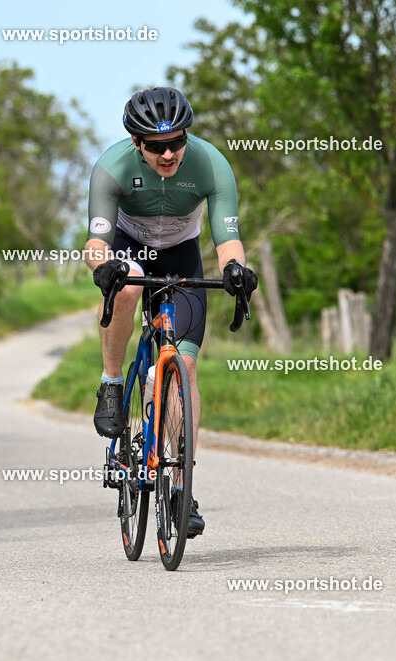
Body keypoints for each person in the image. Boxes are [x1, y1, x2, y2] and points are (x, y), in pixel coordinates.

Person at [85, 86, 257, 538]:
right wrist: (104, 267)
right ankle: (112, 381)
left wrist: (236, 268)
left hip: (180, 256)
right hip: (128, 251)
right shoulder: (112, 166)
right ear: (137, 143)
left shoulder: (211, 163)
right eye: (157, 146)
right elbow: (97, 240)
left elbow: (227, 237)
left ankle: (182, 485)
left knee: (188, 366)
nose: (168, 154)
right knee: (124, 292)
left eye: (176, 142)